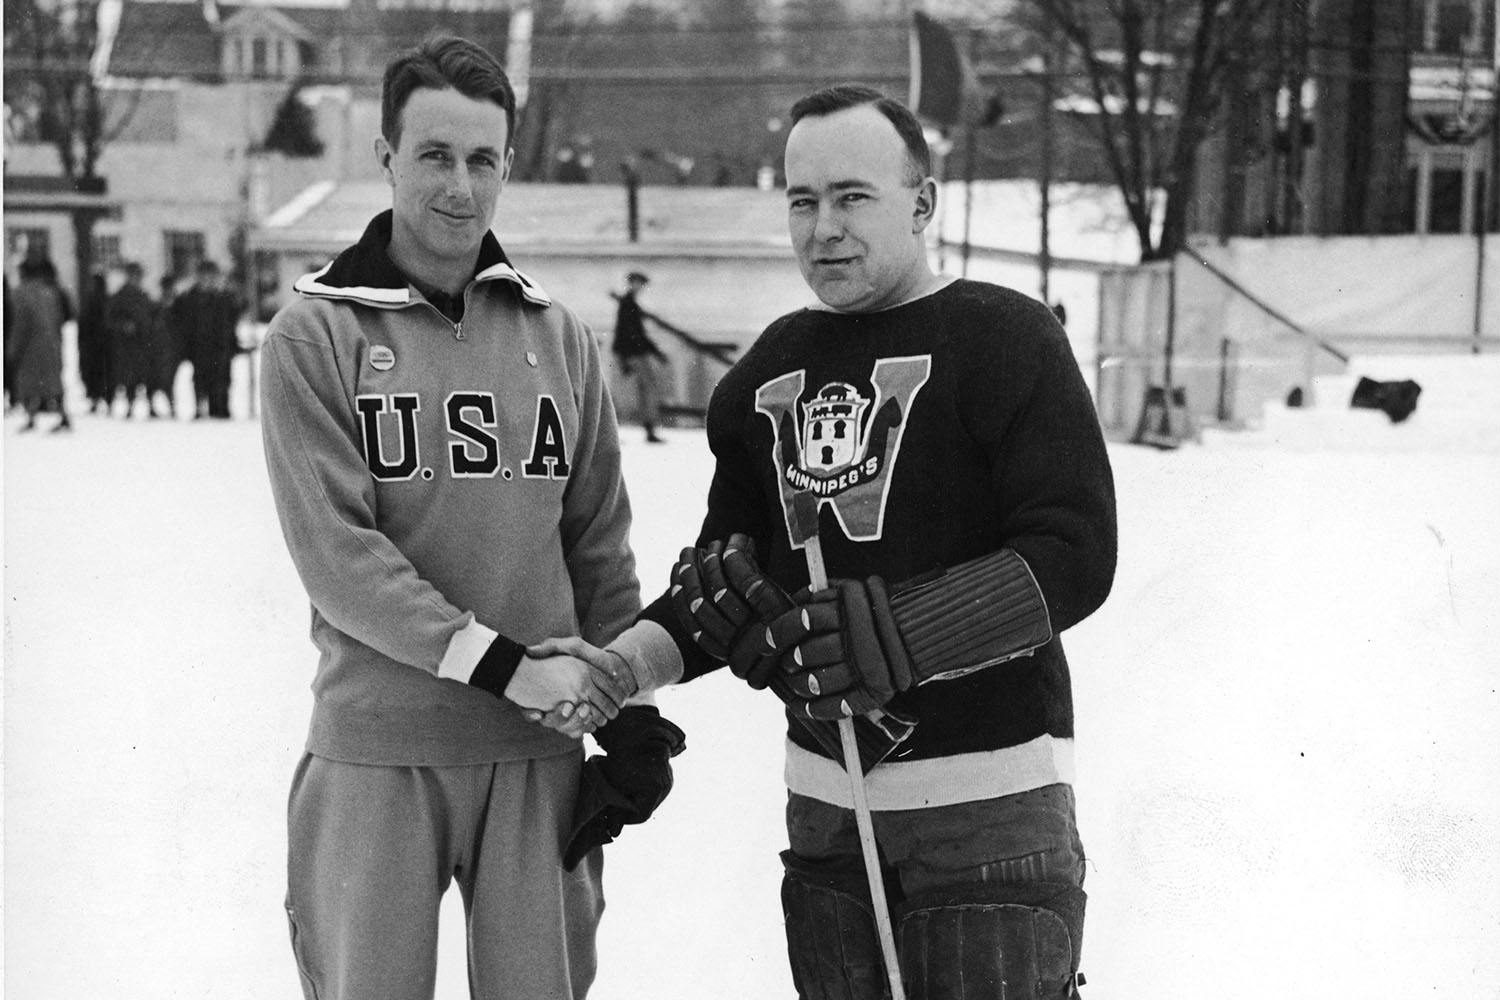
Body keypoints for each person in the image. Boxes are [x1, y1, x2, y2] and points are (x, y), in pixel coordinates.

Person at [531, 85, 1117, 999]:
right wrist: (617, 673)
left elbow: (1075, 552)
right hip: (829, 825)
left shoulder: (1007, 337)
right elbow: (723, 586)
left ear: (922, 203)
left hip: (989, 821)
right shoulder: (768, 368)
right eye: (802, 201)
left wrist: (901, 634)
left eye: (853, 196)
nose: (824, 227)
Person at [258, 35, 685, 1000]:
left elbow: (598, 549)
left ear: (507, 167)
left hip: (537, 759)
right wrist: (504, 668)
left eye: (483, 160)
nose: (461, 185)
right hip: (380, 749)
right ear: (386, 156)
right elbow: (341, 559)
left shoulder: (558, 338)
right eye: (436, 156)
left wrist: (634, 713)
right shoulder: (313, 335)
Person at [7, 255, 73, 432]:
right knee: (52, 383)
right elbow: (61, 316)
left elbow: (21, 324)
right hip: (51, 343)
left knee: (29, 383)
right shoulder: (49, 291)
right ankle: (61, 415)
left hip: (30, 347)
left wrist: (13, 347)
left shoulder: (20, 294)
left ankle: (31, 417)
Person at [174, 260, 239, 418]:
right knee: (200, 378)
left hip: (220, 345)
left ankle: (220, 408)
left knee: (222, 378)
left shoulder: (222, 297)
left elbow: (232, 318)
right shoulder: (190, 297)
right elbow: (181, 319)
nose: (208, 279)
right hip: (199, 345)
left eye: (211, 275)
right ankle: (200, 408)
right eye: (204, 275)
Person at [611, 270, 669, 443]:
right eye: (637, 283)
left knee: (640, 392)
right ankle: (647, 430)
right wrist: (655, 353)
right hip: (634, 354)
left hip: (632, 354)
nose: (640, 287)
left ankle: (647, 430)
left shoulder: (628, 303)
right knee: (646, 391)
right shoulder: (628, 304)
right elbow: (628, 333)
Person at [105, 262, 160, 418]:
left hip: (144, 342)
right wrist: (123, 325)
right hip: (127, 344)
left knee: (147, 376)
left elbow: (152, 314)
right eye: (134, 275)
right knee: (129, 377)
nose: (136, 279)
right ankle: (129, 405)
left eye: (138, 276)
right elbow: (110, 318)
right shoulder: (119, 296)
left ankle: (150, 405)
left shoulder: (143, 295)